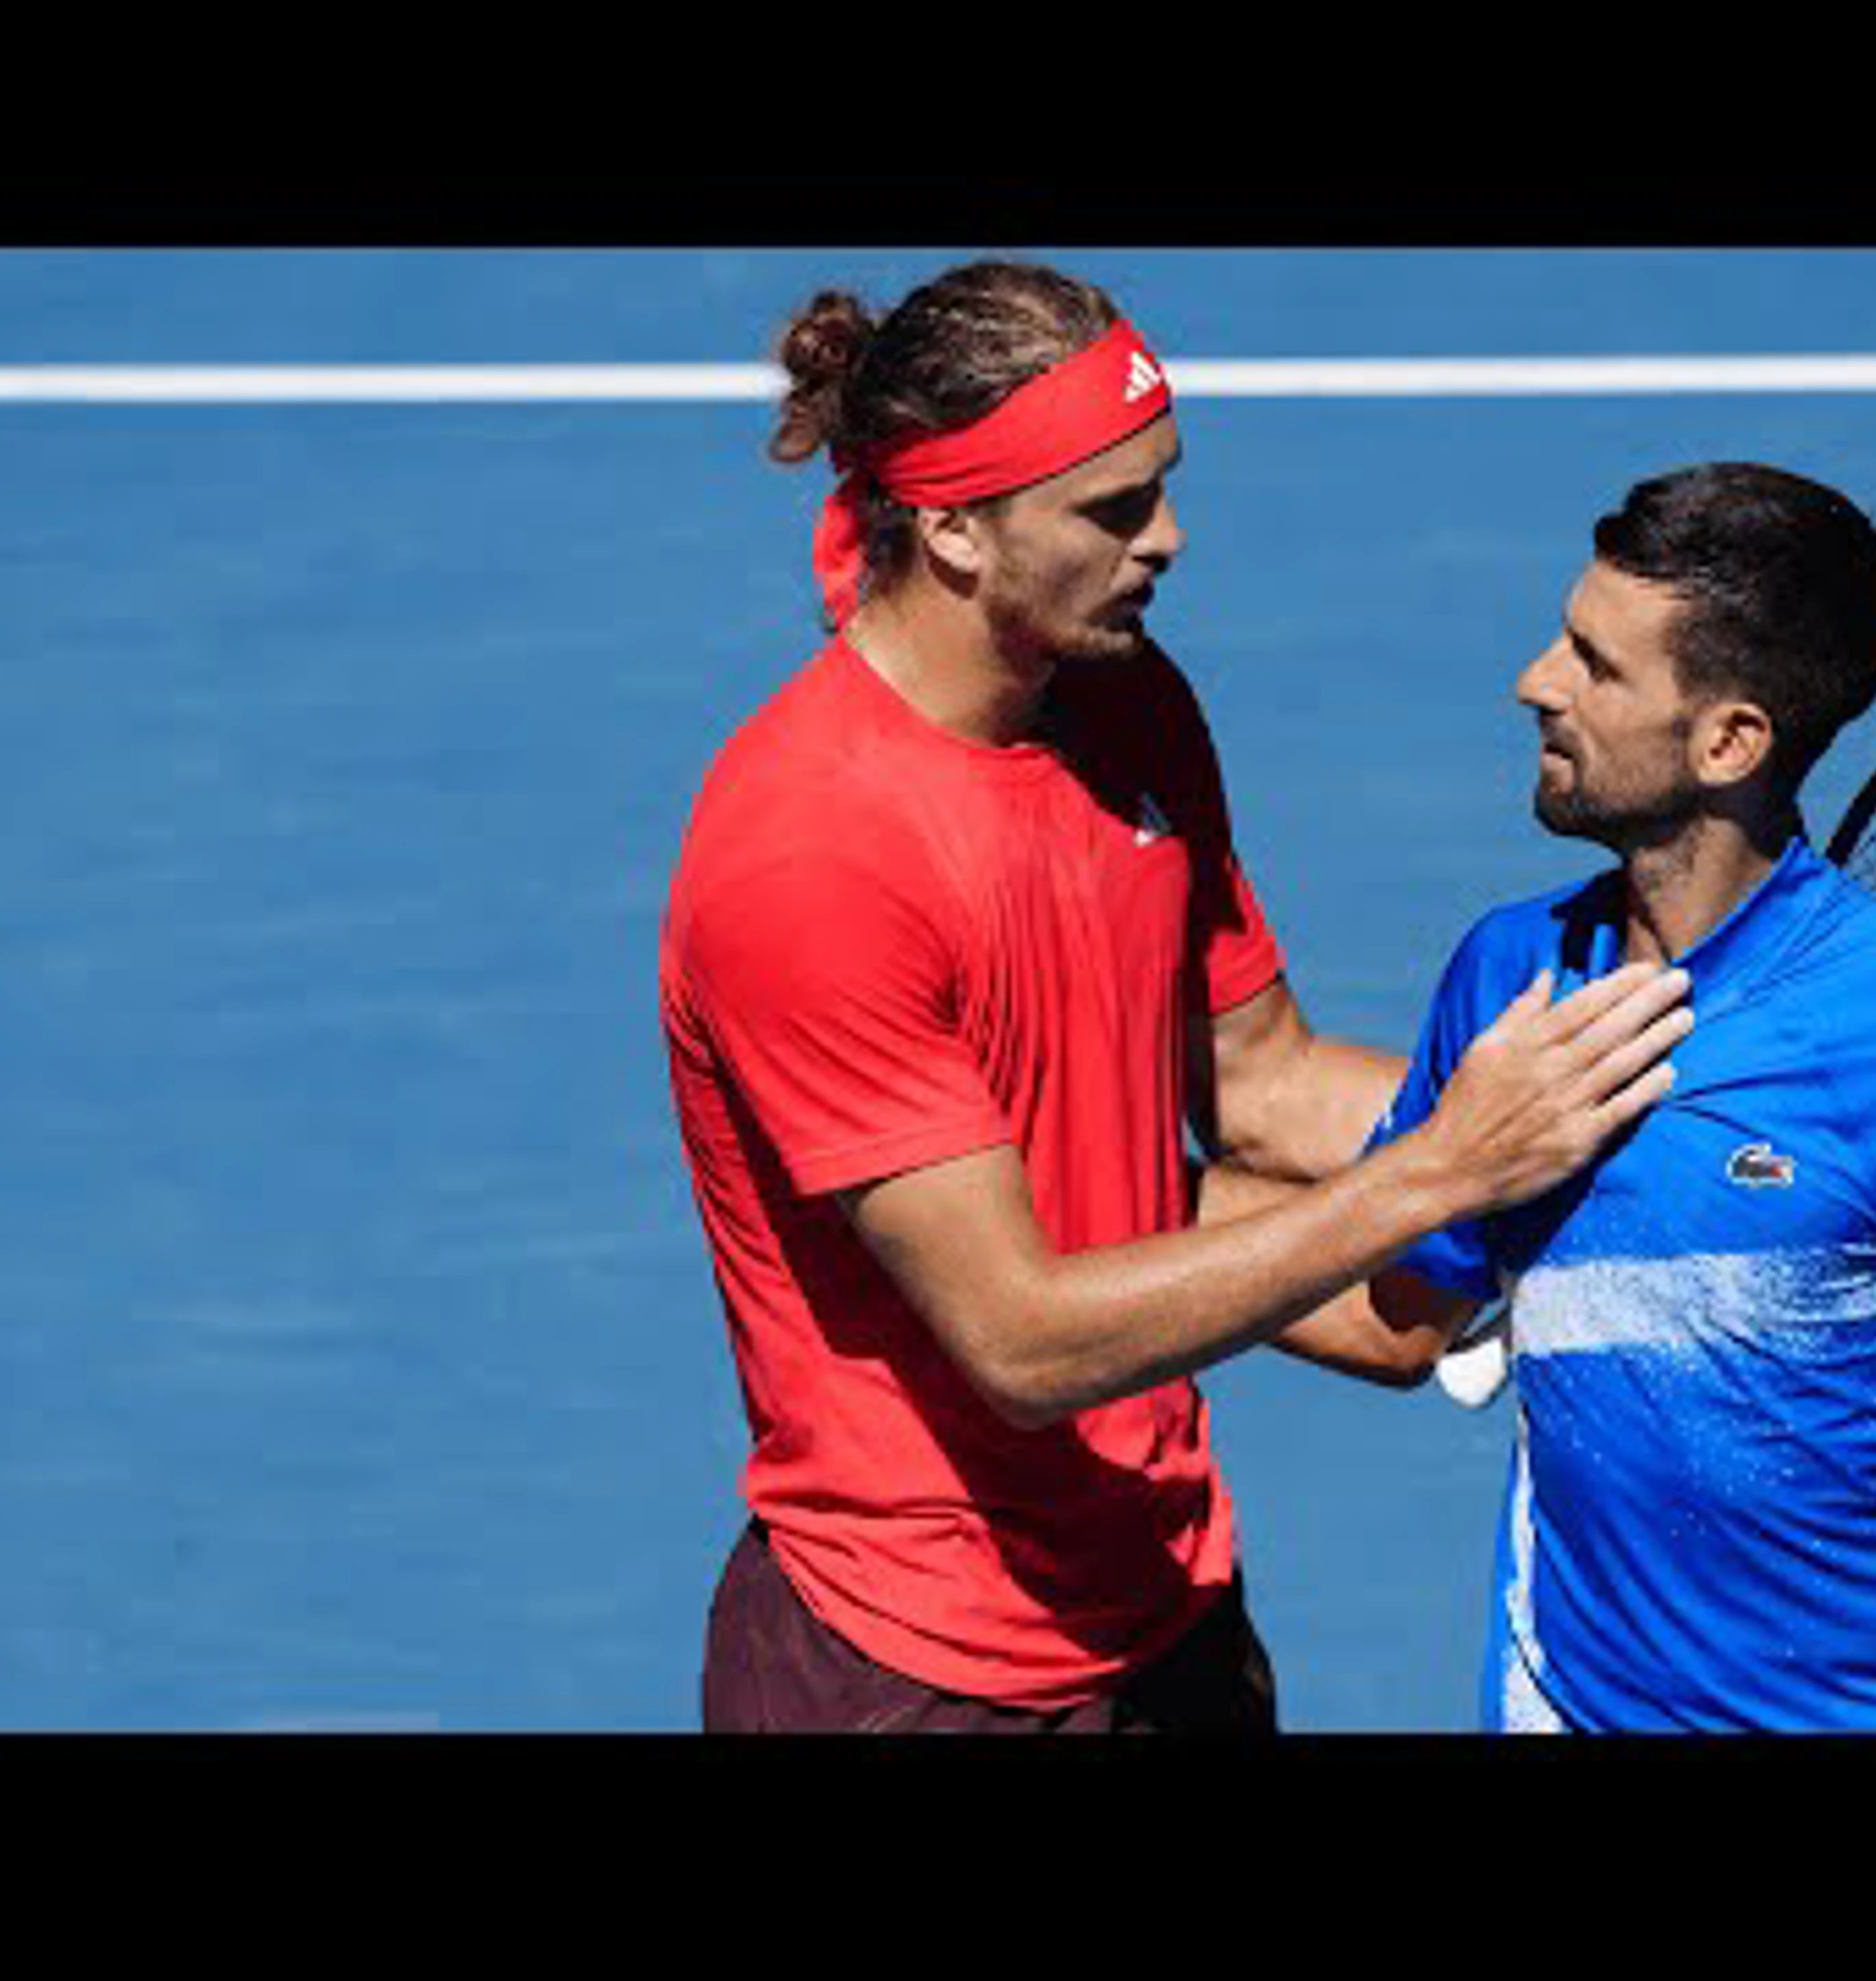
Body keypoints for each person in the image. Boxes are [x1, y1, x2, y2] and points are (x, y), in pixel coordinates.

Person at [657, 259, 1692, 1733]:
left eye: (1164, 486)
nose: (1169, 540)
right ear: (952, 527)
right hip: (910, 1667)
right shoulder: (808, 857)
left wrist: (1628, 1092)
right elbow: (1020, 1340)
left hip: (1167, 1603)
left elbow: (1259, 1084)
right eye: (1113, 511)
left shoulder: (1127, 702)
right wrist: (1447, 1174)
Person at [1208, 462, 1876, 1733]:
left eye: (1595, 666)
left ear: (1730, 741)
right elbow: (1396, 1320)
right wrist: (1104, 1170)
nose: (1536, 682)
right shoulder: (1512, 978)